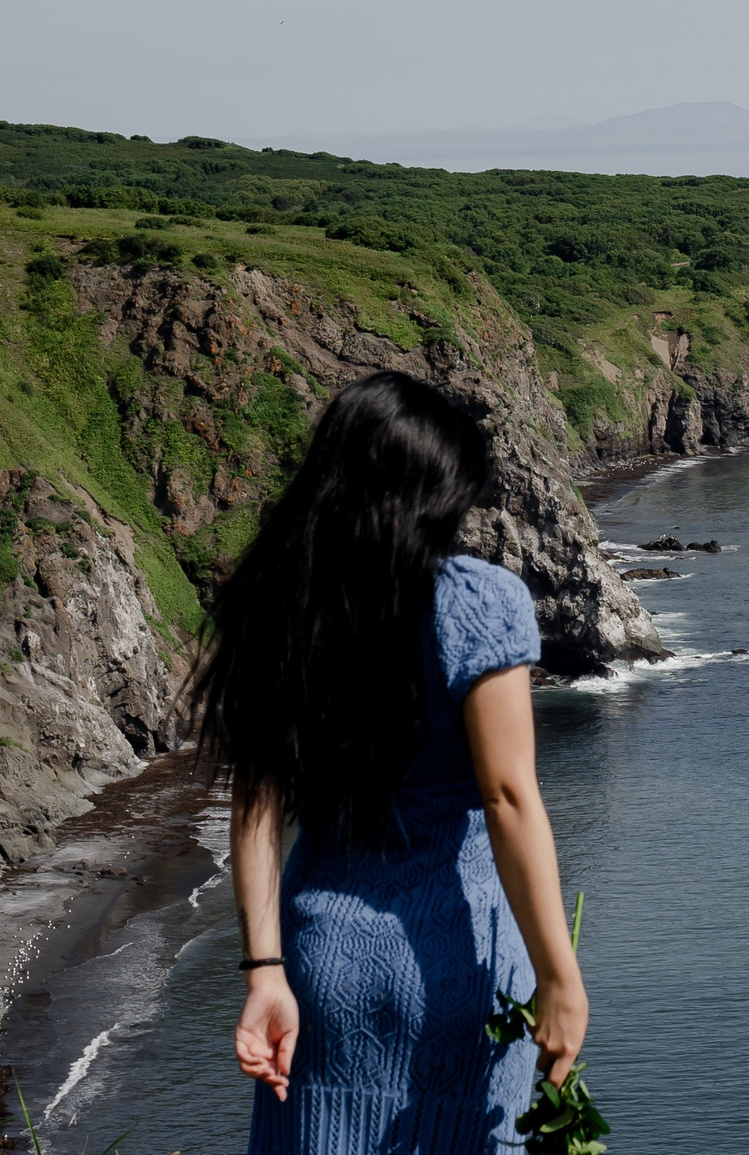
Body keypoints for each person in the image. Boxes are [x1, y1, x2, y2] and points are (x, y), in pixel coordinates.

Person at [187, 370, 588, 1154]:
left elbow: (256, 804)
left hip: (319, 968)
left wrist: (264, 973)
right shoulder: (480, 601)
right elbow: (509, 797)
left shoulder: (280, 602)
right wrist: (559, 975)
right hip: (458, 971)